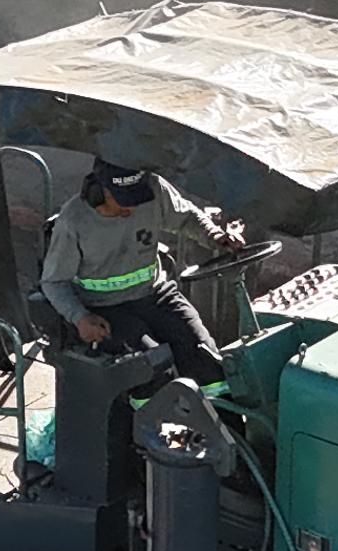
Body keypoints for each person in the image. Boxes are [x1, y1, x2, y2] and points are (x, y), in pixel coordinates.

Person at [40, 159, 242, 386]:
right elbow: (53, 282)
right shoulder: (74, 220)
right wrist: (80, 318)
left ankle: (225, 418)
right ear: (100, 191)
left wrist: (214, 235)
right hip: (106, 309)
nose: (132, 208)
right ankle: (144, 419)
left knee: (206, 357)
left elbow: (186, 217)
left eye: (138, 198)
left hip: (156, 295)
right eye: (124, 200)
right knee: (149, 369)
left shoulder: (155, 190)